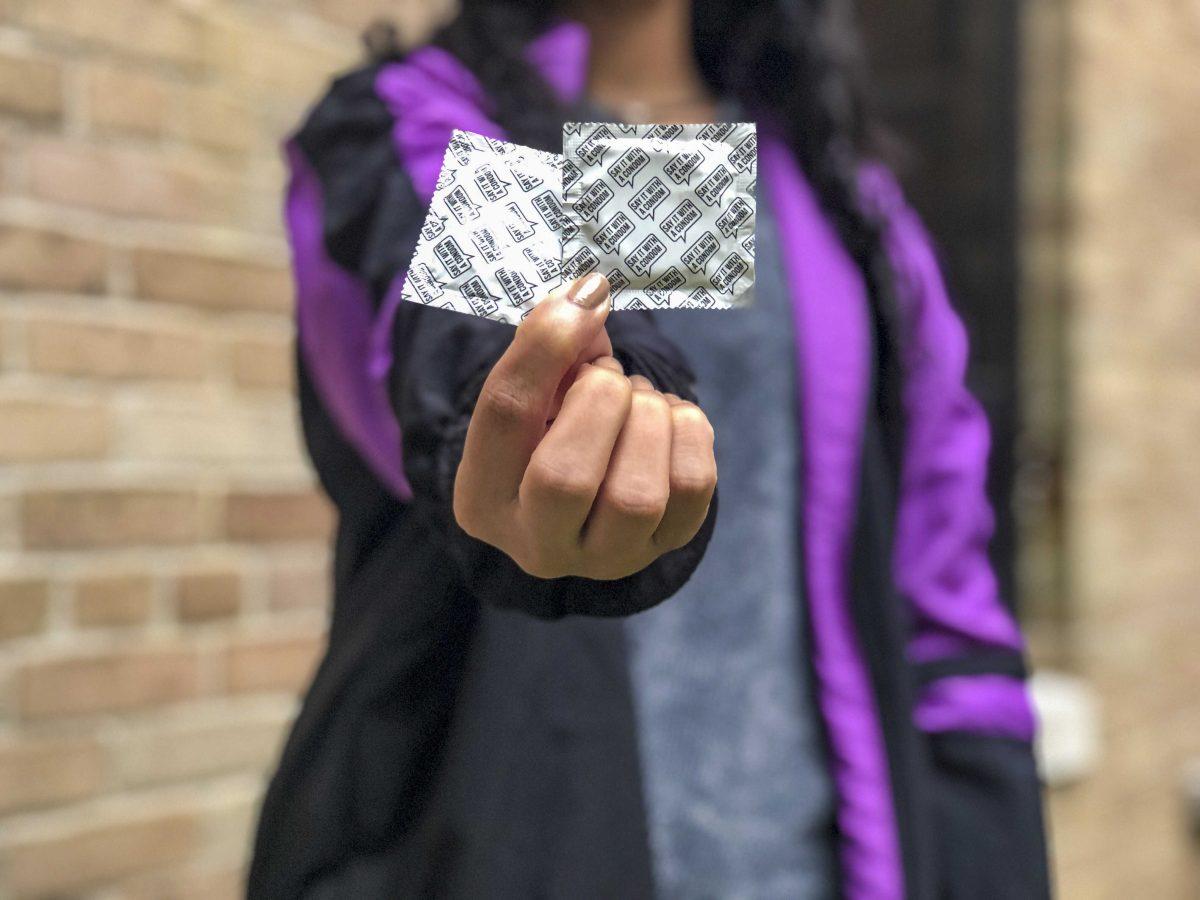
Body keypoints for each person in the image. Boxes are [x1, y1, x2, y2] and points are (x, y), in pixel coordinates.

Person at [249, 1, 1050, 897]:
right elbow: (470, 335)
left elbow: (941, 585)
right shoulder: (415, 125)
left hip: (819, 862)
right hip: (481, 843)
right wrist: (537, 450)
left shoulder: (837, 202)